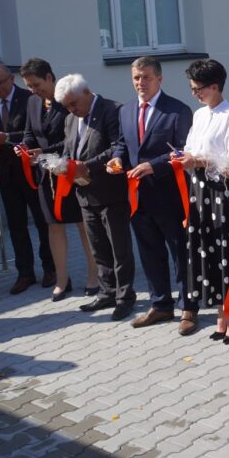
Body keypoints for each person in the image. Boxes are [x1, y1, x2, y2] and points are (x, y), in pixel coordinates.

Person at [109, 57, 196, 334]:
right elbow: (122, 144)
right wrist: (117, 159)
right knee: (149, 251)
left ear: (159, 78)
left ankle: (188, 307)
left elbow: (182, 150)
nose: (140, 82)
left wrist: (154, 166)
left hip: (169, 195)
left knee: (180, 252)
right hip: (138, 197)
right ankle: (160, 304)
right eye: (136, 77)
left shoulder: (177, 110)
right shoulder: (126, 110)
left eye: (146, 77)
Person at [179, 59, 229, 344]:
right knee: (207, 252)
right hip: (200, 190)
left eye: (198, 88)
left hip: (223, 193)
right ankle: (219, 312)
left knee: (227, 252)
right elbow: (190, 147)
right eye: (192, 89)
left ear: (214, 86)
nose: (194, 94)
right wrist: (184, 157)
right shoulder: (199, 115)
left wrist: (199, 160)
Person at [56, 74, 136, 322]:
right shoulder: (70, 118)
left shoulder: (113, 110)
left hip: (111, 192)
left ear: (86, 92)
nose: (71, 110)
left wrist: (87, 166)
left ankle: (125, 297)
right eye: (67, 106)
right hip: (85, 194)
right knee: (98, 248)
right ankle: (107, 292)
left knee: (119, 249)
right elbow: (69, 149)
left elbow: (117, 148)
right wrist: (60, 164)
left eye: (73, 104)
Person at [19, 58, 99, 300]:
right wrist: (25, 148)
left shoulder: (68, 99)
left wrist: (44, 152)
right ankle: (62, 280)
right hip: (46, 174)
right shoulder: (33, 102)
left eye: (36, 84)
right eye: (29, 86)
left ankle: (94, 276)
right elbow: (29, 133)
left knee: (83, 225)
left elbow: (72, 139)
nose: (33, 90)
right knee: (53, 226)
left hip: (70, 172)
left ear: (49, 77)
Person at [0, 64, 53, 293]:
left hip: (31, 171)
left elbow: (36, 133)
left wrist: (7, 137)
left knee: (42, 222)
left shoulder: (30, 98)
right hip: (6, 174)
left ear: (11, 79)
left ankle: (50, 268)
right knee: (16, 225)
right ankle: (25, 273)